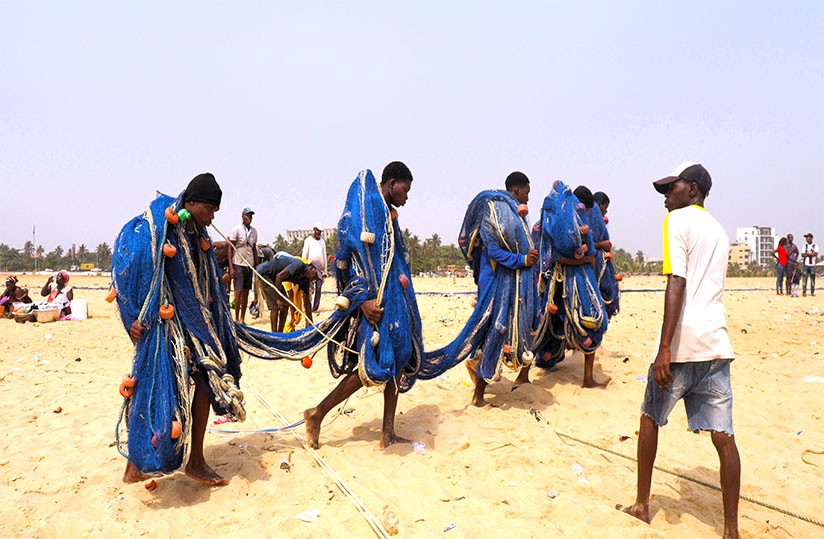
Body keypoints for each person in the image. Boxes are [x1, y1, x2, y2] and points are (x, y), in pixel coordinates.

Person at [618, 162, 740, 539]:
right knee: (723, 436)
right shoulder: (719, 230)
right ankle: (731, 529)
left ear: (694, 190)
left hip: (683, 342)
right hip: (716, 342)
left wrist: (664, 349)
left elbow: (677, 283)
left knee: (650, 416)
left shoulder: (678, 221)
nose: (666, 196)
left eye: (673, 188)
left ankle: (641, 504)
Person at [112, 172, 245, 487]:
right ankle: (137, 464)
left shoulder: (195, 234)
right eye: (210, 208)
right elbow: (129, 270)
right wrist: (132, 317)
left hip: (186, 326)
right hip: (157, 326)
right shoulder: (158, 230)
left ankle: (195, 461)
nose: (213, 216)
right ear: (193, 202)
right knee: (153, 387)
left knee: (202, 376)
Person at [304, 161, 421, 449]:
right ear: (392, 183)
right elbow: (348, 260)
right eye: (405, 190)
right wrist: (362, 302)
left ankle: (387, 432)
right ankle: (317, 413)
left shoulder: (387, 216)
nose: (406, 197)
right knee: (371, 367)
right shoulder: (367, 211)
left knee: (399, 358)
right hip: (374, 306)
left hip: (394, 303)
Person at [462, 171, 539, 405]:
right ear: (517, 189)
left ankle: (477, 365)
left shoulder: (513, 214)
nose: (528, 196)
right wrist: (523, 260)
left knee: (494, 331)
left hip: (505, 280)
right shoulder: (497, 211)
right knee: (497, 329)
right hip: (495, 281)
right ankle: (479, 394)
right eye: (527, 191)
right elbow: (494, 251)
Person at [256, 252, 318, 332]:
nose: (314, 278)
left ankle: (280, 333)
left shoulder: (305, 280)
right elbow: (279, 277)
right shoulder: (298, 265)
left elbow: (307, 302)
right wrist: (278, 299)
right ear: (310, 268)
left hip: (276, 279)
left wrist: (310, 322)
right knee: (275, 306)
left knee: (285, 304)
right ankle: (274, 335)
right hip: (265, 274)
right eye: (315, 275)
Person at [228, 208, 258, 323]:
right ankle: (236, 318)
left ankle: (242, 318)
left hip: (249, 265)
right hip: (238, 263)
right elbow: (230, 248)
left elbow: (254, 248)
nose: (249, 218)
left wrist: (256, 266)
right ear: (242, 216)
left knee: (246, 292)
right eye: (247, 215)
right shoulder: (236, 229)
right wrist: (231, 267)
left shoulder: (254, 231)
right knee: (238, 292)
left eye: (251, 216)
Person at [302, 222, 328, 313]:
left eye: (320, 232)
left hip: (320, 269)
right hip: (310, 267)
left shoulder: (322, 242)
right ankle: (307, 305)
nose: (318, 233)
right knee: (309, 288)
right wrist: (303, 267)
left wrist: (325, 269)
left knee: (319, 288)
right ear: (314, 230)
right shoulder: (308, 240)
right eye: (317, 231)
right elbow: (304, 255)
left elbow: (324, 255)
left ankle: (315, 308)